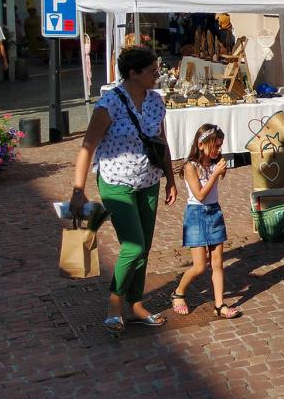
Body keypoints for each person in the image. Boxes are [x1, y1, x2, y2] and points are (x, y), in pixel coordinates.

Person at [69, 45, 178, 335]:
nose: (157, 75)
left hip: (149, 181)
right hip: (116, 183)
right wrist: (78, 190)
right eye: (152, 71)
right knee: (134, 246)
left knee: (145, 248)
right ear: (133, 73)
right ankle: (114, 303)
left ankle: (136, 304)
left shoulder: (156, 101)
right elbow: (87, 147)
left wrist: (170, 178)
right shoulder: (109, 105)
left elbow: (161, 142)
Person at [170, 124, 241, 319]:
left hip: (214, 212)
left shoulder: (214, 163)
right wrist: (216, 174)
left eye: (220, 146)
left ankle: (219, 305)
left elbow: (217, 181)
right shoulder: (190, 167)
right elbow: (200, 195)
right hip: (196, 214)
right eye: (215, 146)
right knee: (200, 266)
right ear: (201, 145)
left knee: (217, 262)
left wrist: (219, 170)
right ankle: (178, 292)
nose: (218, 150)